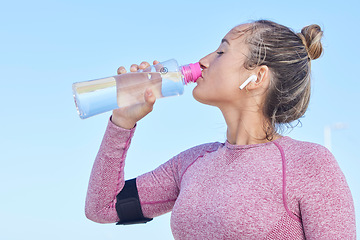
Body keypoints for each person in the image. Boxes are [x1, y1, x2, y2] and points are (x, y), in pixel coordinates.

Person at [84, 20, 356, 239]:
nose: (202, 61)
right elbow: (103, 207)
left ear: (257, 77)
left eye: (221, 52)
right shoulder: (191, 163)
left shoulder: (309, 164)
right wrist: (122, 122)